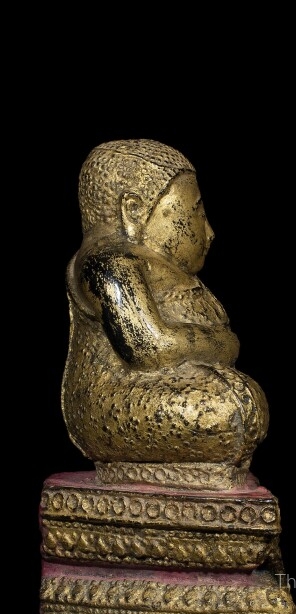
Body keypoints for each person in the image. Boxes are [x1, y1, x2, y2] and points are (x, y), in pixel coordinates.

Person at [62, 139, 268, 486]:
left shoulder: (164, 271)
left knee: (239, 404)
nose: (208, 231)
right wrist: (224, 342)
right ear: (133, 210)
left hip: (170, 387)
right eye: (195, 212)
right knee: (224, 409)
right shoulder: (107, 264)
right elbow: (149, 346)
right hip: (114, 404)